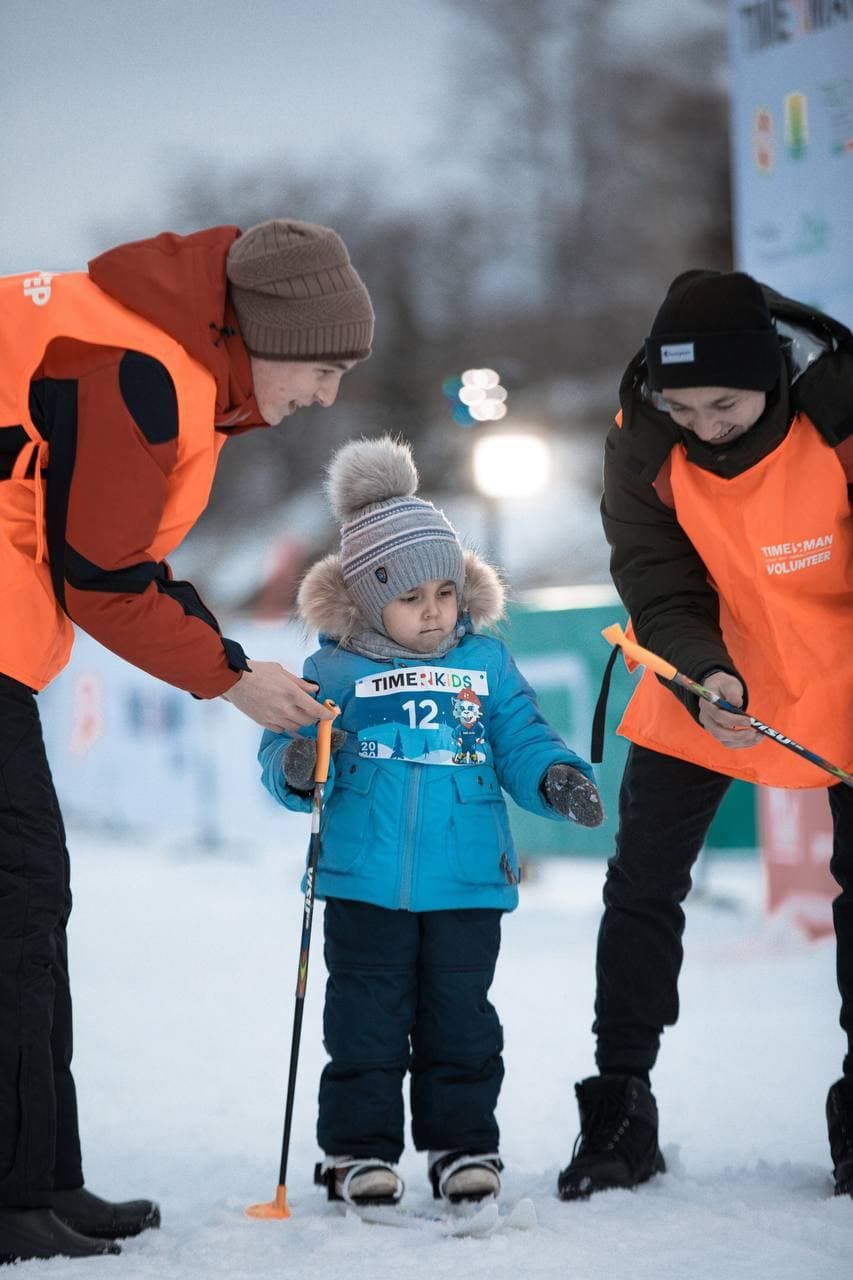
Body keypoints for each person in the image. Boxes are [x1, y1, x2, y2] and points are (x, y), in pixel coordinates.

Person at [0, 218, 374, 1261]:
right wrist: (227, 679)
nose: (327, 395)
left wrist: (231, 657)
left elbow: (114, 556)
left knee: (27, 893)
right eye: (324, 367)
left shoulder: (155, 347)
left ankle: (40, 1178)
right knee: (17, 892)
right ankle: (15, 1189)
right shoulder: (136, 361)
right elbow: (101, 576)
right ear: (262, 330)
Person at [557, 269, 853, 1202]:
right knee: (642, 883)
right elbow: (656, 575)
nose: (703, 424)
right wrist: (703, 675)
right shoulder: (643, 438)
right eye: (682, 406)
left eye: (722, 404)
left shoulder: (840, 410)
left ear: (770, 374)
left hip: (842, 663)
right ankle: (618, 1103)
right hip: (709, 669)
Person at [259, 435, 603, 1209]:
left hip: (466, 877)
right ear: (365, 598)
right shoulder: (333, 670)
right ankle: (358, 1151)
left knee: (461, 1022)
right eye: (410, 599)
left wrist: (556, 777)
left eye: (444, 594)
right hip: (363, 878)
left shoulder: (484, 664)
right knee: (365, 1024)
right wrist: (296, 764)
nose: (433, 612)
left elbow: (520, 734)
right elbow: (282, 749)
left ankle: (462, 1145)